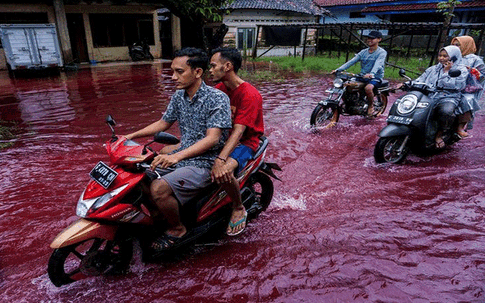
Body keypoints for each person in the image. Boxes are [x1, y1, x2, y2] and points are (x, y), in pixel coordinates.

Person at [125, 47, 232, 251]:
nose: (173, 77)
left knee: (158, 188)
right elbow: (163, 123)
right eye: (172, 71)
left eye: (179, 72)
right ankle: (159, 215)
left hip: (206, 160)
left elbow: (212, 139)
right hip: (182, 155)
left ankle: (177, 229)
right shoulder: (178, 96)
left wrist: (177, 156)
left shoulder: (217, 98)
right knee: (138, 178)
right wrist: (130, 136)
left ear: (198, 72)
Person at [209, 47, 264, 236]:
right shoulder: (220, 89)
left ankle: (238, 206)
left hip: (245, 143)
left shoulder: (250, 94)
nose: (210, 70)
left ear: (228, 66)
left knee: (222, 172)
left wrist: (221, 158)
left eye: (213, 66)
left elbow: (240, 132)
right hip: (224, 138)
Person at [413, 45, 468, 149]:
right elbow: (421, 79)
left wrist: (447, 72)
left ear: (454, 57)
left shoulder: (461, 70)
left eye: (445, 56)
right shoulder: (434, 69)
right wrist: (407, 83)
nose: (441, 58)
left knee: (446, 111)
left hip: (450, 96)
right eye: (440, 55)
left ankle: (440, 134)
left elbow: (457, 86)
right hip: (431, 95)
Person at [331, 30, 387, 117]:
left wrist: (372, 73)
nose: (369, 40)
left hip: (375, 77)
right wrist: (338, 70)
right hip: (362, 76)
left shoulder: (381, 52)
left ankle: (370, 106)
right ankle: (351, 103)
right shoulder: (363, 52)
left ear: (379, 39)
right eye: (368, 38)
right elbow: (351, 61)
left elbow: (378, 64)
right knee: (346, 85)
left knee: (368, 88)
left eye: (372, 38)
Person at [450, 35, 484, 137]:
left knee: (467, 101)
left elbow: (482, 76)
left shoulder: (475, 60)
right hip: (450, 84)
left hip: (467, 88)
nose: (455, 47)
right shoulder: (452, 57)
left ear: (466, 46)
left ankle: (460, 127)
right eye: (453, 45)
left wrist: (472, 71)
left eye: (458, 45)